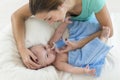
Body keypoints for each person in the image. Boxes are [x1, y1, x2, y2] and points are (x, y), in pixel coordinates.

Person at [11, 0, 113, 70]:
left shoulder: (93, 2)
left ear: (61, 5)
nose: (50, 23)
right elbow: (17, 16)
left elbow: (110, 31)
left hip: (86, 29)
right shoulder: (43, 3)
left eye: (49, 18)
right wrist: (22, 49)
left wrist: (79, 44)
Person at [29, 24, 111, 77]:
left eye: (44, 47)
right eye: (47, 56)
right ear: (46, 65)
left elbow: (59, 32)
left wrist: (64, 23)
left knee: (79, 34)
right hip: (78, 56)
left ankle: (94, 31)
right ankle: (102, 39)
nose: (49, 50)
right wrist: (84, 70)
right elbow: (71, 69)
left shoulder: (51, 43)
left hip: (75, 43)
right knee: (87, 57)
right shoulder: (58, 63)